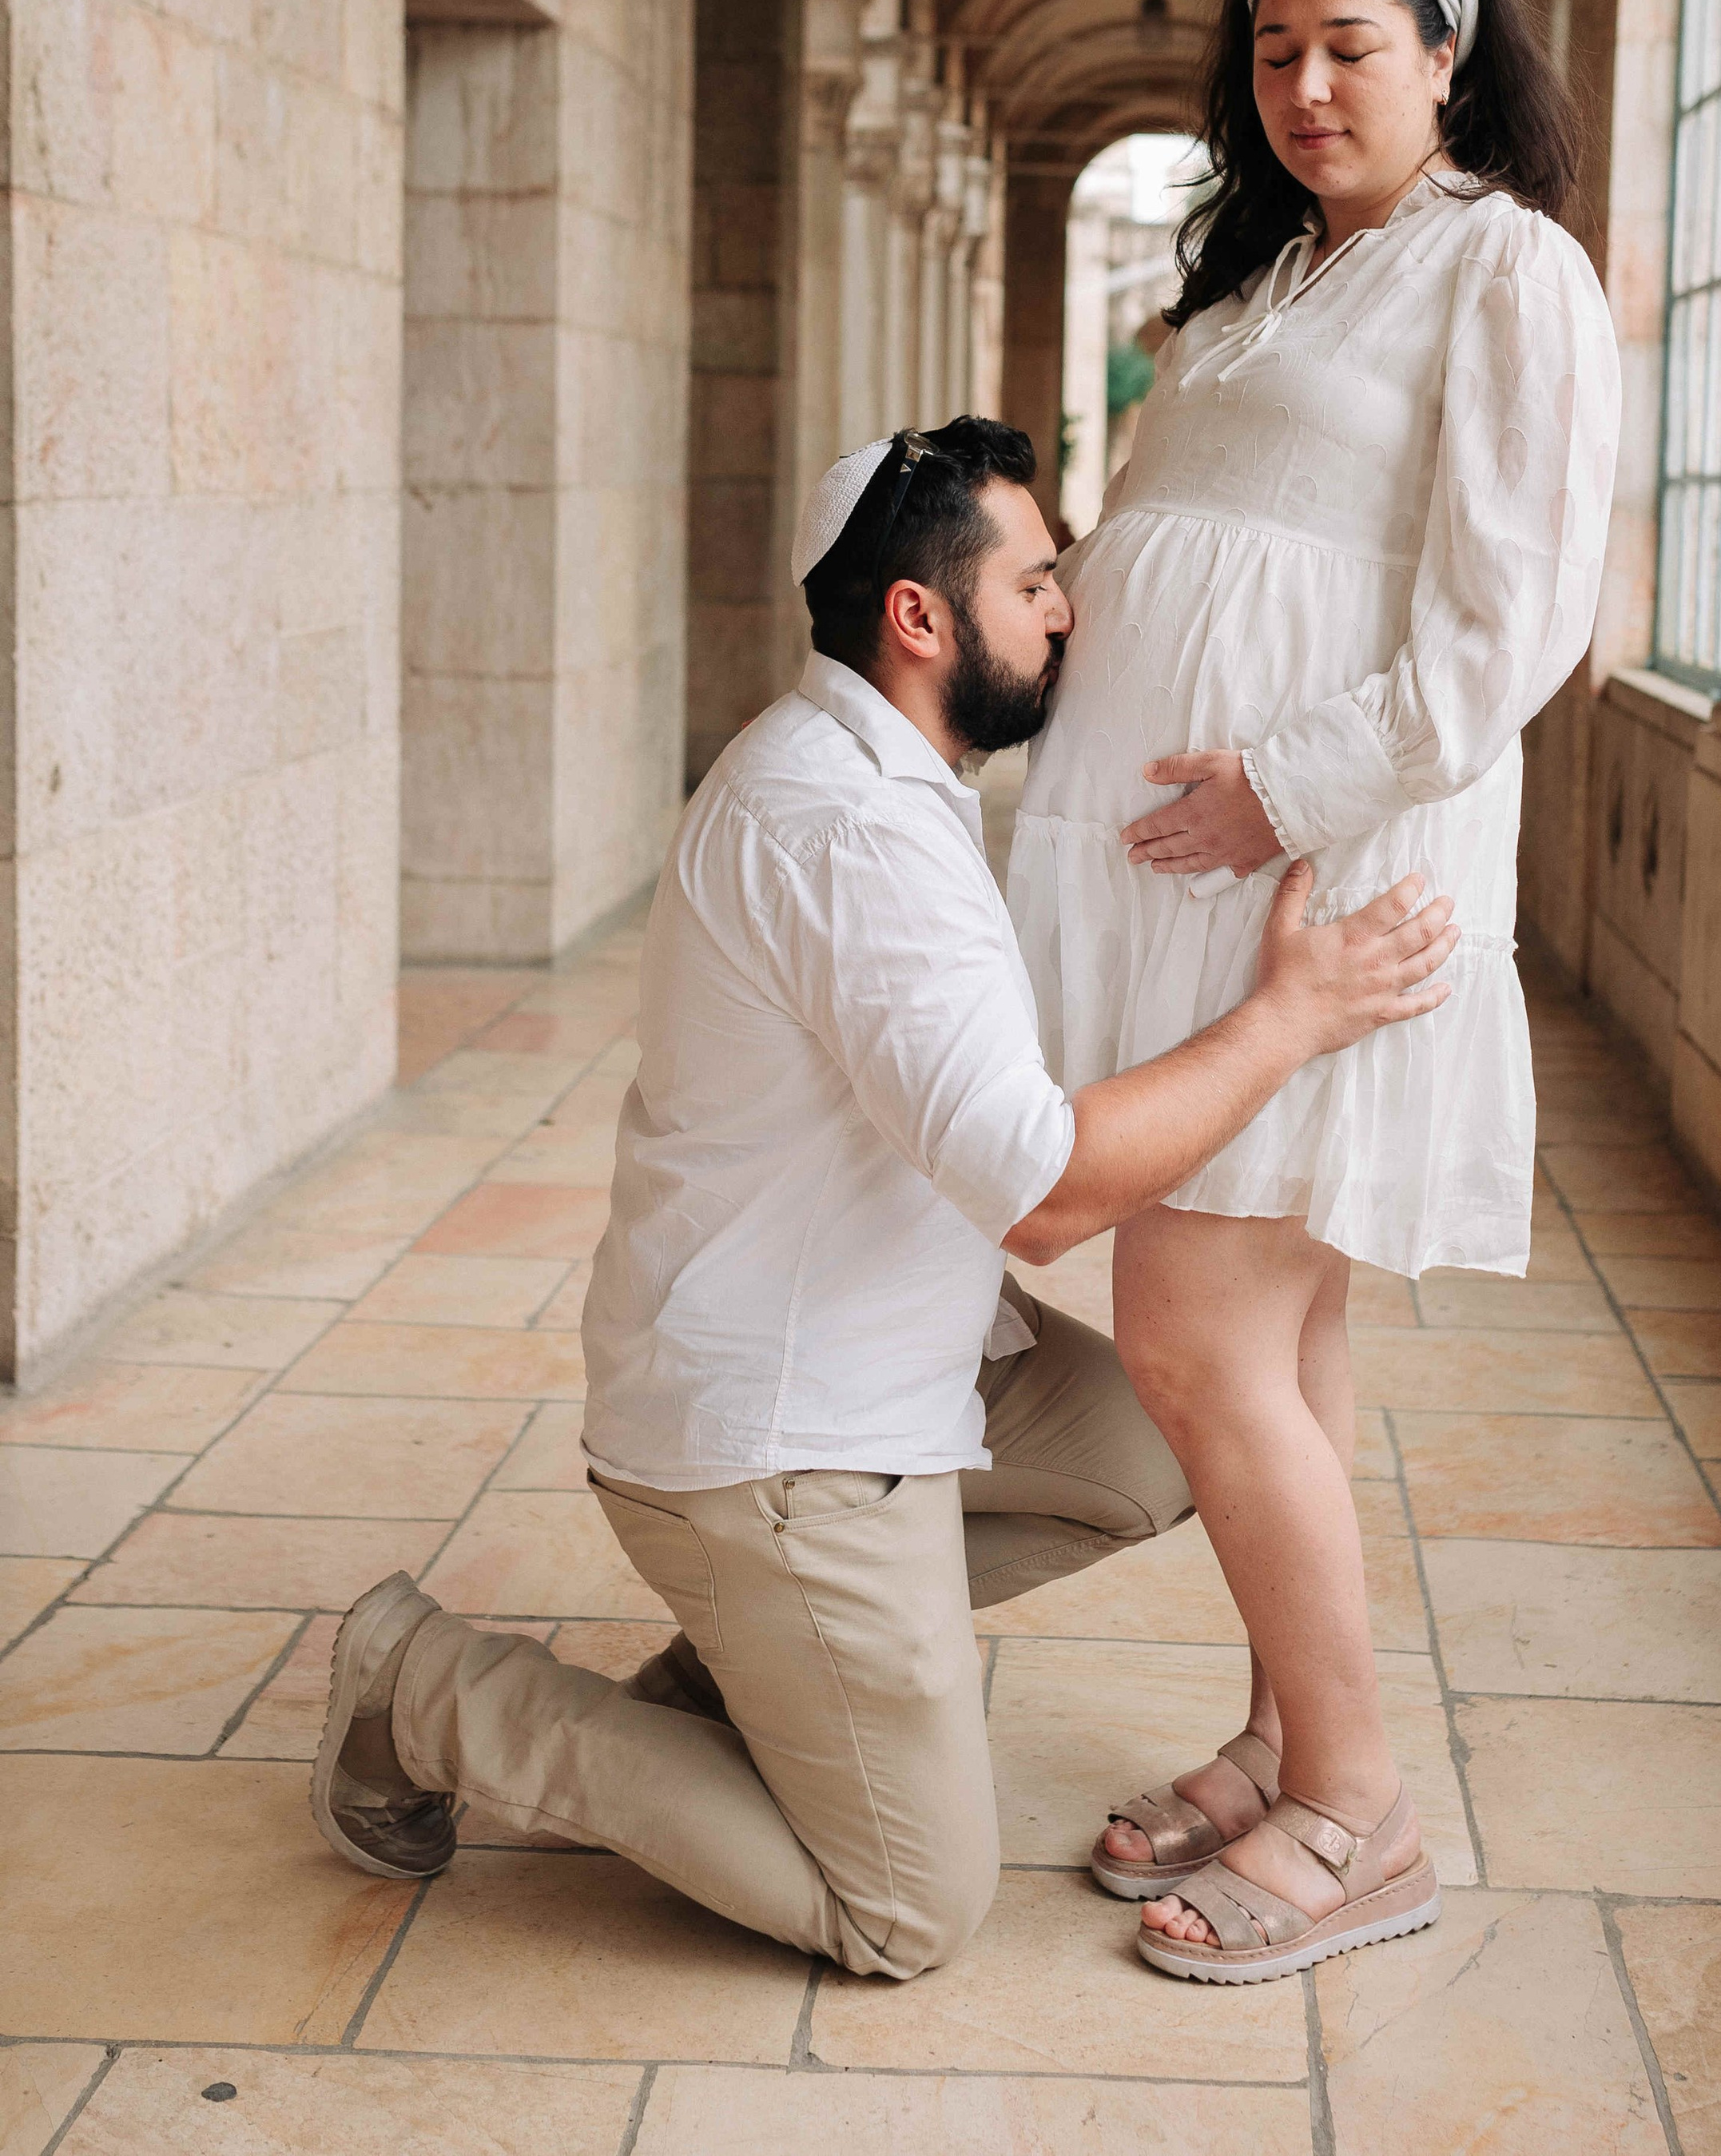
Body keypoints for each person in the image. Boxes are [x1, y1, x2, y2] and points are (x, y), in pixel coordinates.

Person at [308, 416, 1459, 1981]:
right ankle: (427, 1686)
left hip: (880, 1376)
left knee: (1154, 1444)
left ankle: (760, 1675)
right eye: (1036, 580)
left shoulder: (874, 772)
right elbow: (1046, 1196)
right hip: (776, 1442)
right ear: (918, 619)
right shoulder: (844, 826)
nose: (1069, 610)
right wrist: (1286, 1019)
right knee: (905, 1910)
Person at [1008, 0, 1622, 1982]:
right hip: (1178, 882)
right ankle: (1282, 1737)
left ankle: (1361, 1813)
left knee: (1186, 1320)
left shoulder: (1502, 273)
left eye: (1354, 42)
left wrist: (1279, 788)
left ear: (1450, 53)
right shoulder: (1271, 283)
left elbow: (1511, 624)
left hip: (1320, 884)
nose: (1309, 83)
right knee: (1280, 1329)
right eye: (1275, 50)